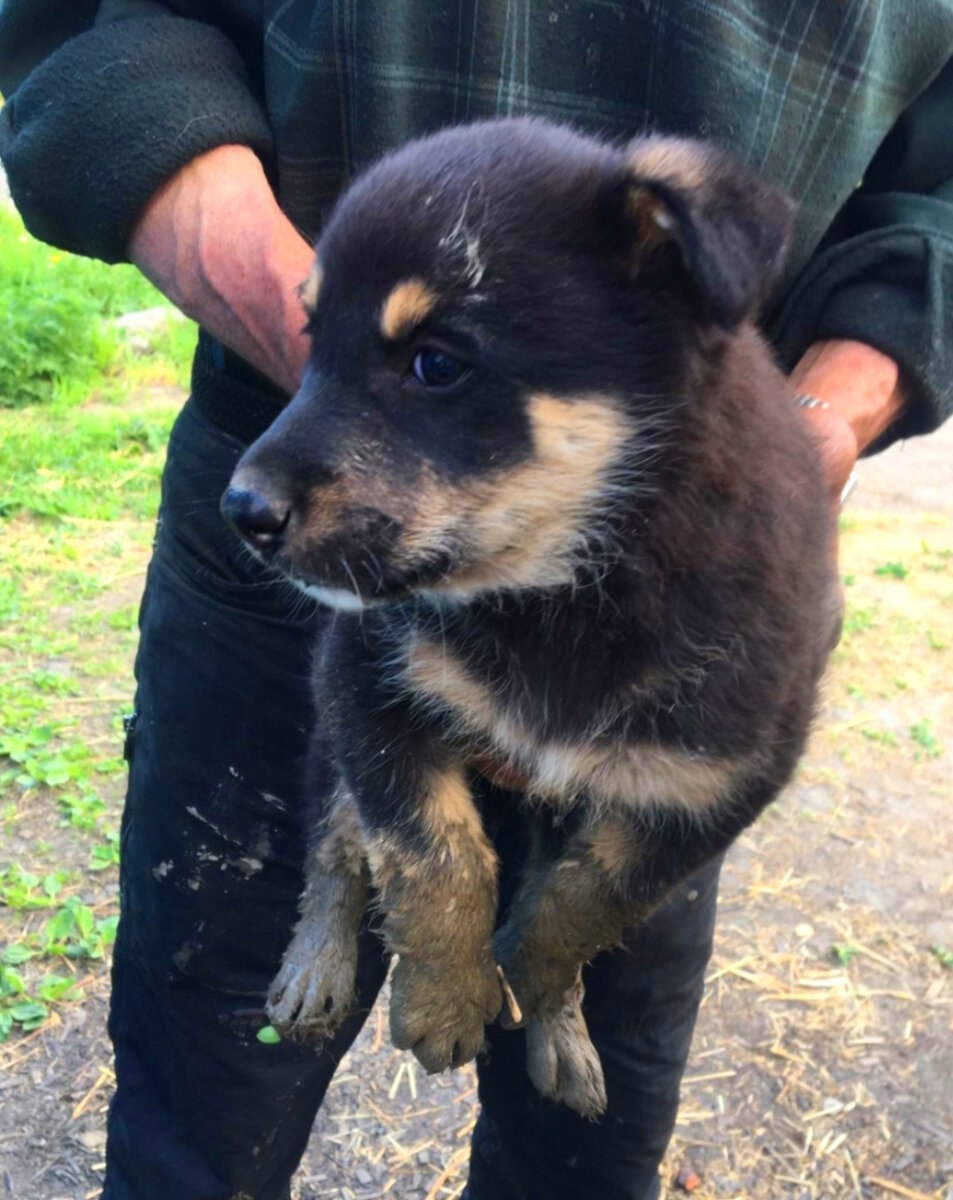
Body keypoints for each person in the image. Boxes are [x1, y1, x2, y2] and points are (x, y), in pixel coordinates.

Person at [1, 5, 951, 1199]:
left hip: (696, 547)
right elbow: (94, 27)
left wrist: (823, 421)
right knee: (212, 1083)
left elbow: (939, 188)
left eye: (432, 363)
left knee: (585, 1144)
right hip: (312, 540)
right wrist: (323, 338)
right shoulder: (316, 467)